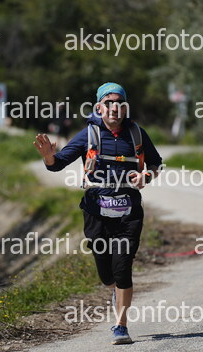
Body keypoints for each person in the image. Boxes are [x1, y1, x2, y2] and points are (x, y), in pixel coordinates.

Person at [33, 82, 162, 345]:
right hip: (96, 213)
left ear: (125, 107)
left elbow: (156, 163)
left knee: (122, 269)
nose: (114, 108)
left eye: (119, 103)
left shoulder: (137, 134)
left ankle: (121, 326)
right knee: (107, 275)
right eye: (109, 103)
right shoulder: (88, 135)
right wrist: (48, 157)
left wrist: (146, 175)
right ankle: (114, 291)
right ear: (99, 107)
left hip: (129, 212)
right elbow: (58, 164)